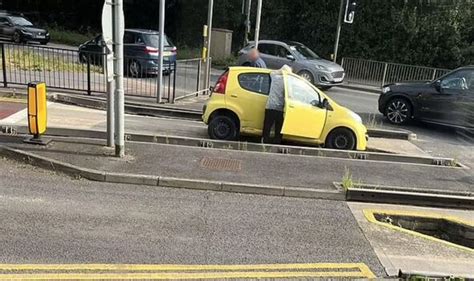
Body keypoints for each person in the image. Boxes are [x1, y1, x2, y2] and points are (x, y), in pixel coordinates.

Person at [262, 65, 292, 144]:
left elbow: (271, 72)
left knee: (267, 126)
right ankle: (276, 142)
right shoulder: (287, 82)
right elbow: (290, 95)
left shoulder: (274, 77)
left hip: (270, 106)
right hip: (279, 108)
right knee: (278, 128)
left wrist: (279, 70)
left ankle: (264, 141)